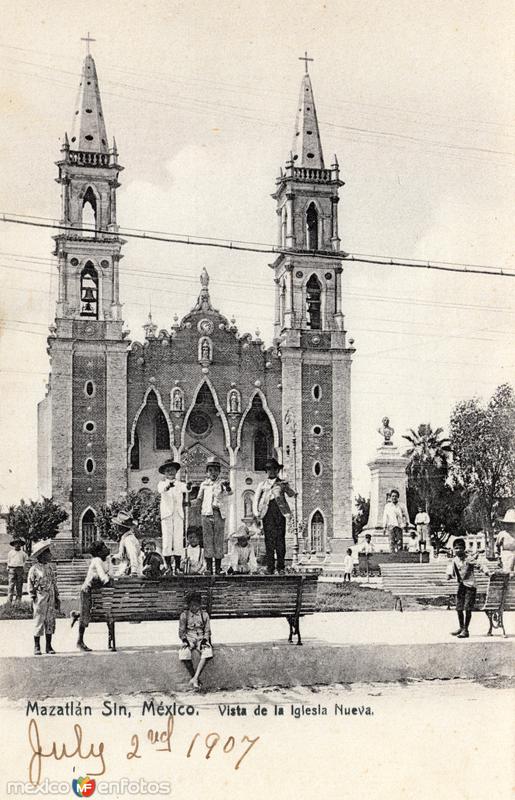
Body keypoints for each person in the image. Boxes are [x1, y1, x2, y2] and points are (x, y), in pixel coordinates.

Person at [254, 458, 297, 575]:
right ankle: (270, 567)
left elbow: (292, 494)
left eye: (274, 469)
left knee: (280, 540)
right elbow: (256, 499)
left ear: (277, 470)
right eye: (269, 469)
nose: (271, 472)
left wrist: (289, 487)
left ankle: (281, 567)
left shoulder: (281, 483)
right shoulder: (262, 485)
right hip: (267, 513)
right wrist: (256, 513)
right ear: (266, 471)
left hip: (279, 513)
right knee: (269, 541)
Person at [71, 540, 112, 652]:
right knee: (86, 614)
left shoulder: (107, 560)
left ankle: (76, 614)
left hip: (98, 590)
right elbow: (102, 574)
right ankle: (80, 641)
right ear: (98, 552)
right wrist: (106, 580)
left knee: (102, 611)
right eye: (103, 547)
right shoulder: (96, 560)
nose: (106, 548)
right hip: (87, 590)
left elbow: (110, 573)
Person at [195, 457, 232, 575]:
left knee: (218, 540)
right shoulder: (204, 485)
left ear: (219, 471)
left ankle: (218, 567)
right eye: (210, 470)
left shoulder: (222, 483)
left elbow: (230, 492)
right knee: (207, 540)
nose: (213, 473)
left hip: (218, 514)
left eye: (216, 470)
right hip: (206, 514)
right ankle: (209, 568)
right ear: (207, 472)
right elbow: (199, 499)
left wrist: (227, 487)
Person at [446, 537, 485, 638]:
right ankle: (461, 627)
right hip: (461, 586)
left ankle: (466, 630)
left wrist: (487, 572)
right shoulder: (454, 560)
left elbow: (479, 565)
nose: (457, 550)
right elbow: (451, 569)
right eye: (455, 548)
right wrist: (449, 575)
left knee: (467, 608)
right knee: (459, 607)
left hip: (470, 586)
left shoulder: (469, 558)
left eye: (459, 548)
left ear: (464, 549)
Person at [157, 459, 190, 574]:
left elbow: (187, 488)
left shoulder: (180, 484)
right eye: (168, 470)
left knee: (178, 540)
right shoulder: (162, 483)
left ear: (176, 471)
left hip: (178, 514)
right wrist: (168, 486)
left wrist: (189, 485)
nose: (170, 472)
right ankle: (168, 566)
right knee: (167, 539)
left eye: (172, 470)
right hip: (167, 515)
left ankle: (177, 566)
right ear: (165, 473)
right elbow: (162, 489)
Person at [27, 540, 60, 656]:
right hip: (40, 597)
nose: (50, 555)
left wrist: (56, 596)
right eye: (48, 553)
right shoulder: (34, 569)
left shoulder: (50, 568)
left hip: (50, 596)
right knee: (39, 620)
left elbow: (54, 582)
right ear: (42, 555)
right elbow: (30, 583)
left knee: (50, 620)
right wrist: (33, 595)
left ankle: (48, 645)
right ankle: (37, 646)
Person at [178, 591, 213, 690]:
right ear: (189, 605)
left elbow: (207, 630)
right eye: (192, 605)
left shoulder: (204, 615)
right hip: (190, 638)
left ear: (199, 605)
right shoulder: (184, 615)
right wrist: (185, 640)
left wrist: (204, 640)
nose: (194, 607)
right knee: (184, 653)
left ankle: (195, 678)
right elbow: (181, 631)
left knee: (207, 651)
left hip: (201, 638)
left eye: (196, 605)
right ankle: (195, 677)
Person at [7, 536, 28, 605]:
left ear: (21, 545)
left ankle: (18, 600)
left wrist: (23, 569)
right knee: (11, 585)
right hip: (12, 569)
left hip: (20, 569)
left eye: (19, 543)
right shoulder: (10, 553)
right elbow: (8, 561)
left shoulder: (23, 553)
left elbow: (25, 562)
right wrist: (8, 568)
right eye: (16, 543)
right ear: (13, 545)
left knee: (19, 585)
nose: (17, 545)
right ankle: (9, 600)